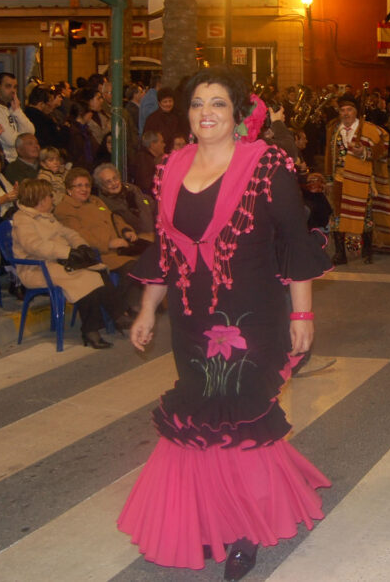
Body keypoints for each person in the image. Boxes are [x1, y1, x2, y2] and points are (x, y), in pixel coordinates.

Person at [118, 65, 332, 578]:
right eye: (197, 104)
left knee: (241, 415)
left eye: (217, 103)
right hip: (191, 320)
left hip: (251, 315)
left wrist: (302, 312)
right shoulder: (170, 168)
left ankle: (243, 530)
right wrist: (148, 308)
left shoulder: (266, 165)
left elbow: (292, 241)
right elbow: (166, 249)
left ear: (238, 113)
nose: (206, 112)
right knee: (200, 414)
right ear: (186, 116)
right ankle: (212, 518)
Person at [11, 179, 130, 348]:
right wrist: (67, 252)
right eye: (49, 196)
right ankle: (91, 330)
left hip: (57, 263)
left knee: (99, 271)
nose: (52, 198)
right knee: (86, 280)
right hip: (37, 268)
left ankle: (117, 315)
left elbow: (68, 233)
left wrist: (80, 245)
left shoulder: (46, 216)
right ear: (39, 198)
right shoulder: (23, 219)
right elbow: (35, 246)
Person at [325, 93, 389, 264]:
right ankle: (340, 253)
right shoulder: (333, 129)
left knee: (364, 213)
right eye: (342, 110)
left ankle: (367, 250)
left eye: (349, 110)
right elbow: (328, 156)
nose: (345, 114)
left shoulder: (367, 128)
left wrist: (365, 153)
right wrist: (329, 179)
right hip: (339, 177)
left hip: (361, 178)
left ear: (356, 112)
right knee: (338, 215)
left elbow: (382, 148)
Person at [54, 167, 139, 275]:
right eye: (79, 186)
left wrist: (125, 230)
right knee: (135, 270)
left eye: (87, 185)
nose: (84, 189)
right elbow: (79, 236)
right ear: (69, 190)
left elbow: (114, 218)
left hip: (122, 248)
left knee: (151, 261)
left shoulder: (95, 201)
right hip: (100, 256)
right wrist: (108, 244)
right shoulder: (65, 209)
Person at [94, 163, 155, 237]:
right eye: (108, 182)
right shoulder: (103, 205)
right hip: (134, 239)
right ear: (101, 186)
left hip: (155, 233)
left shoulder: (133, 190)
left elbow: (152, 207)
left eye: (115, 178)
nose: (114, 183)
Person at [0, 72, 36, 161]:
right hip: (5, 161)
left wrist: (18, 111)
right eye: (8, 86)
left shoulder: (11, 107)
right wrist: (24, 137)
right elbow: (11, 140)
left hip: (17, 159)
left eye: (15, 87)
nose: (13, 91)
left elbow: (31, 131)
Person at [143, 87, 188, 152]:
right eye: (165, 102)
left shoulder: (177, 116)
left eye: (170, 101)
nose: (168, 104)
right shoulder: (152, 119)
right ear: (159, 103)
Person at [65, 99, 99, 170]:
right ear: (81, 113)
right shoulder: (71, 131)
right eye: (89, 111)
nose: (91, 114)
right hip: (78, 168)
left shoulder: (86, 130)